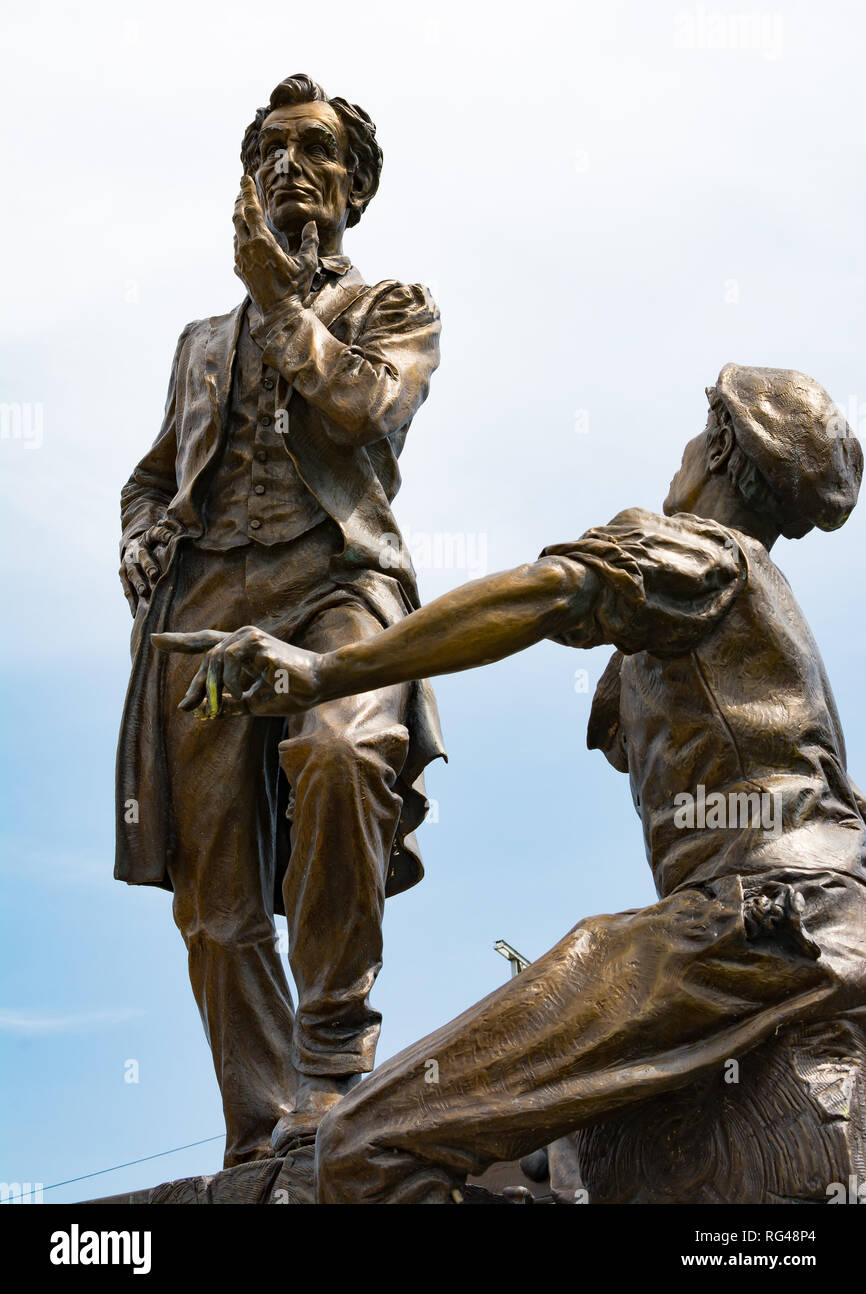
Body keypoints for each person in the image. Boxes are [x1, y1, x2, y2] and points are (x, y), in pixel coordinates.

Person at [157, 364, 866, 1202]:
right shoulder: (757, 615)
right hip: (818, 918)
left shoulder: (700, 553)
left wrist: (326, 672)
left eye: (695, 431)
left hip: (748, 921)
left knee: (361, 1145)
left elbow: (551, 593)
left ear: (717, 444)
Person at [117, 73, 444, 1166]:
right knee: (214, 888)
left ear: (354, 187)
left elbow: (361, 410)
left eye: (311, 148)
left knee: (347, 754)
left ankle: (331, 1058)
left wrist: (282, 307)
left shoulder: (394, 309)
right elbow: (153, 476)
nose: (285, 164)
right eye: (267, 147)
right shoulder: (198, 342)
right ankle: (261, 1137)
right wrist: (141, 536)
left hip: (333, 585)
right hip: (205, 603)